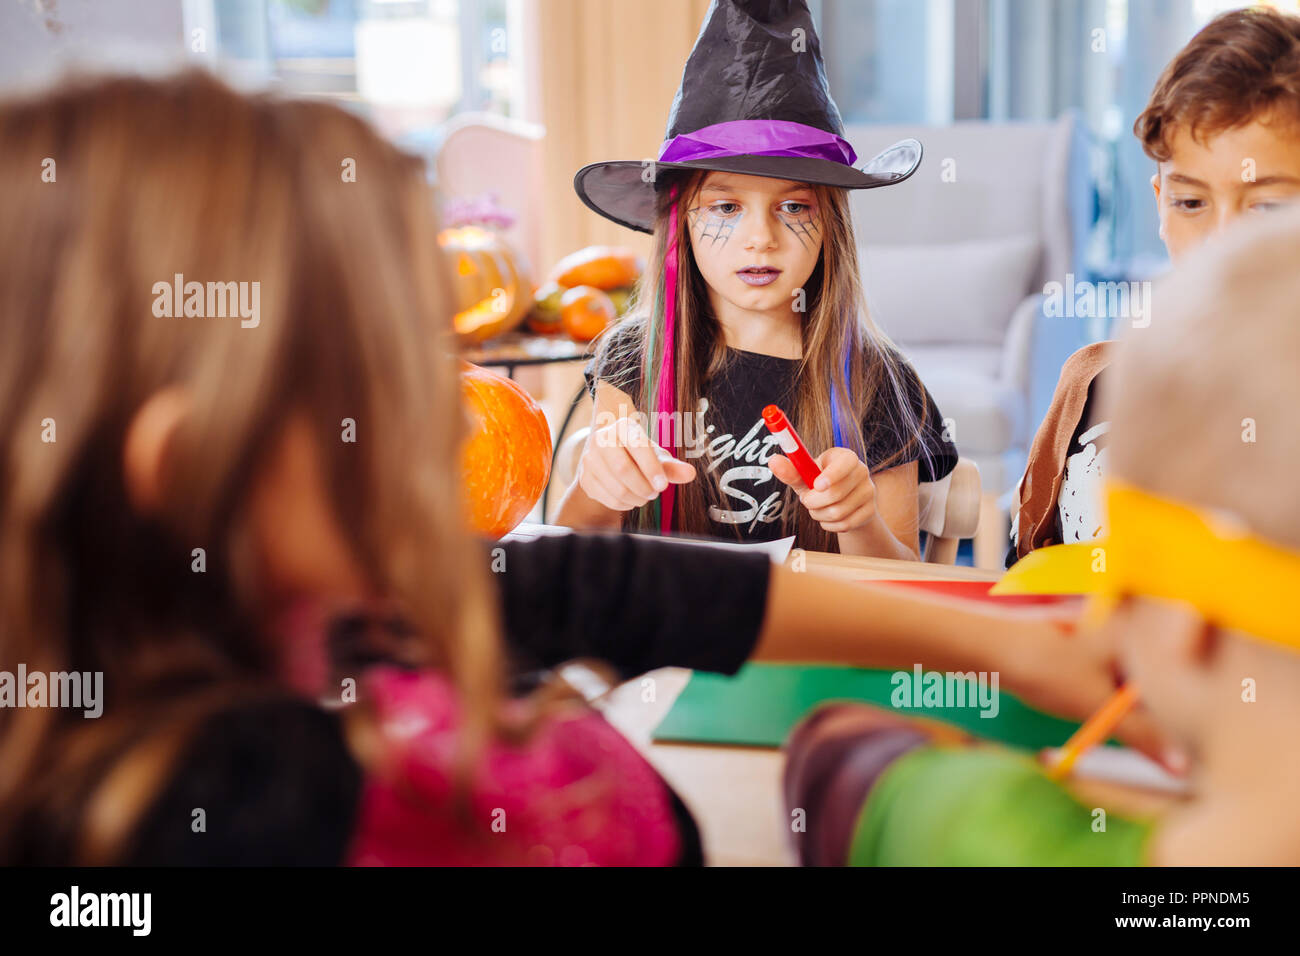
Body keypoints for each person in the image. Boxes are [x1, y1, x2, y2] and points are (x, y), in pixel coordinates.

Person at [554, 0, 955, 558]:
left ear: (831, 226)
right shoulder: (634, 356)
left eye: (793, 208)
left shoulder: (878, 381)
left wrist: (859, 521)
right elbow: (573, 552)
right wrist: (597, 488)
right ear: (681, 224)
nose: (760, 238)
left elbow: (906, 594)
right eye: (724, 208)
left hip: (818, 639)